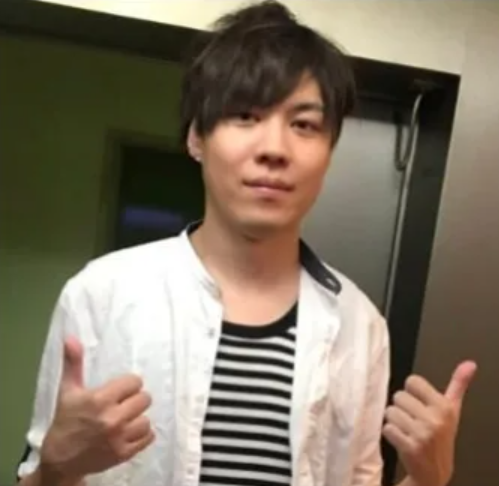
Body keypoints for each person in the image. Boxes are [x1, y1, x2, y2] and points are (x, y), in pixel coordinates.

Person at [17, 2, 476, 486]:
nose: (274, 149)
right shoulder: (102, 294)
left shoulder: (359, 326)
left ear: (329, 152)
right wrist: (56, 469)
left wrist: (427, 480)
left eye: (304, 124)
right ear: (196, 138)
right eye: (245, 115)